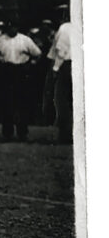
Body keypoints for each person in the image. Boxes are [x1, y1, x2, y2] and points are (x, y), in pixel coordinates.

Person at [0, 18, 41, 141]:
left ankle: (23, 133)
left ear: (18, 27)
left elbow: (37, 54)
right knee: (6, 103)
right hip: (5, 72)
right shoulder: (0, 40)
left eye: (15, 26)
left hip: (21, 72)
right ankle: (7, 133)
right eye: (10, 26)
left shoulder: (25, 40)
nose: (12, 29)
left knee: (22, 103)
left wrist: (30, 65)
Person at [47, 9, 74, 144]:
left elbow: (61, 51)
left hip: (68, 65)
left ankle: (66, 135)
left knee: (62, 100)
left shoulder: (65, 28)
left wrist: (56, 68)